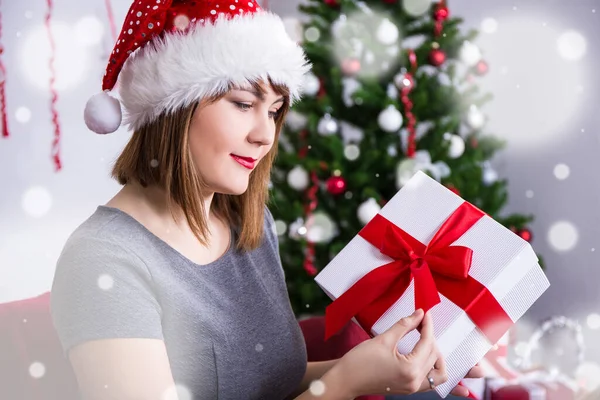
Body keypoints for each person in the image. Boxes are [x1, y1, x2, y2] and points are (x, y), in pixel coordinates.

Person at [50, 0, 483, 399]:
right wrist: (347, 382)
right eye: (242, 104)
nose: (265, 135)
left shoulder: (248, 224)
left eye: (274, 111)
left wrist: (388, 371)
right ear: (172, 107)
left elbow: (271, 383)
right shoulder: (103, 260)